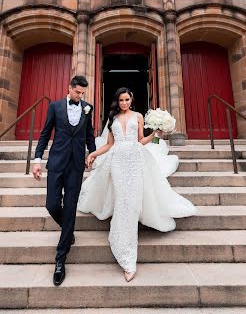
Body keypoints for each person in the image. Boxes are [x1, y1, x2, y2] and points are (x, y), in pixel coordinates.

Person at [78, 87, 197, 282]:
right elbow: (109, 145)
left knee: (131, 202)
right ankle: (124, 250)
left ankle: (127, 251)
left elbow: (141, 140)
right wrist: (92, 154)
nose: (124, 103)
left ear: (131, 100)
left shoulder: (139, 116)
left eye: (126, 100)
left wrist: (156, 134)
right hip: (117, 161)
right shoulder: (112, 119)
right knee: (123, 200)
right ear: (117, 101)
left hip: (134, 159)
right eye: (121, 100)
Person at [32, 75, 95, 286]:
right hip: (57, 163)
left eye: (82, 93)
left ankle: (60, 260)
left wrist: (92, 154)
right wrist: (37, 159)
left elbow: (89, 135)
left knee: (70, 207)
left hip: (76, 165)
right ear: (69, 88)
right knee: (51, 205)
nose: (80, 96)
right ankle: (68, 231)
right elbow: (44, 133)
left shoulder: (88, 108)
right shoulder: (55, 106)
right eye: (77, 92)